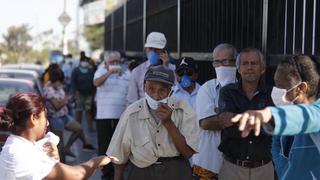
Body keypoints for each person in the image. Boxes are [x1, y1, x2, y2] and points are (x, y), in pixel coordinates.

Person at [232, 55, 320, 180]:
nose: (276, 91)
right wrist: (281, 168)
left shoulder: (314, 113)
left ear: (301, 88)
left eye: (282, 87)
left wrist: (269, 114)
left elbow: (307, 117)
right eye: (276, 85)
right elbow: (277, 146)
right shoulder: (287, 109)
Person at [107, 65, 199, 180]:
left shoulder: (183, 110)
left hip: (176, 171)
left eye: (162, 90)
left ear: (171, 91)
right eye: (151, 89)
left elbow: (188, 153)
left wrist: (168, 123)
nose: (156, 96)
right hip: (141, 172)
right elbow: (118, 155)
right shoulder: (132, 112)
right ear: (144, 87)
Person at [0, 93, 114, 179]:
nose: (47, 123)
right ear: (33, 118)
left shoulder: (21, 146)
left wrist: (54, 160)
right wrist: (97, 161)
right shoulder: (21, 153)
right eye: (45, 117)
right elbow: (78, 175)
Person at [218, 48, 274, 180]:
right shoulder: (227, 92)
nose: (249, 67)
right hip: (232, 168)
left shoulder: (272, 93)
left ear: (263, 68)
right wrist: (261, 120)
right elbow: (229, 128)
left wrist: (236, 118)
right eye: (245, 63)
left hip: (264, 169)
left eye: (254, 63)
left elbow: (272, 127)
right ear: (238, 68)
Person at [192, 43, 238, 180]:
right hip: (207, 165)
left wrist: (222, 116)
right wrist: (243, 118)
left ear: (235, 62)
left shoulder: (243, 89)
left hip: (234, 166)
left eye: (225, 61)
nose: (221, 66)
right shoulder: (207, 88)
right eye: (217, 62)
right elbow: (206, 123)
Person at [93, 50, 130, 179]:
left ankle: (118, 174)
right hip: (104, 116)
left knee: (120, 147)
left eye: (116, 62)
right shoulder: (101, 71)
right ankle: (106, 174)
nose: (114, 64)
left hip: (121, 116)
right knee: (105, 146)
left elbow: (129, 92)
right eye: (111, 62)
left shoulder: (126, 73)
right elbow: (96, 83)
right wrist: (109, 72)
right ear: (106, 63)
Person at [44, 67, 95, 160]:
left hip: (64, 115)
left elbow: (62, 100)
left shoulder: (58, 86)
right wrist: (67, 99)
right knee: (59, 144)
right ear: (55, 80)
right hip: (55, 118)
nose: (60, 84)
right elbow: (57, 106)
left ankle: (67, 148)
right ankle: (61, 165)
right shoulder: (48, 89)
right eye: (59, 81)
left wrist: (68, 99)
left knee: (79, 129)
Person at [126, 32, 176, 106]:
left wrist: (165, 67)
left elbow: (174, 93)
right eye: (150, 49)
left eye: (156, 49)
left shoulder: (173, 69)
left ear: (163, 51)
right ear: (146, 49)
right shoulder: (137, 71)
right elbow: (132, 100)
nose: (153, 52)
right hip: (143, 113)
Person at [71, 56, 96, 132]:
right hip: (79, 94)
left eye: (86, 61)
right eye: (83, 61)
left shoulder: (91, 71)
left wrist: (94, 94)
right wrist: (74, 92)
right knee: (79, 111)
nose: (85, 62)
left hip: (89, 94)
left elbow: (93, 83)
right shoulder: (76, 71)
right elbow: (73, 82)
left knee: (88, 111)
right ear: (80, 62)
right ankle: (78, 128)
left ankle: (90, 127)